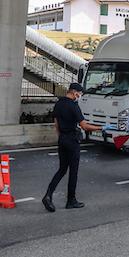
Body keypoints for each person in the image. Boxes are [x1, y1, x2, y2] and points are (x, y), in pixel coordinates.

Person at [43, 83, 107, 212]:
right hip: (72, 140)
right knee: (73, 172)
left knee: (62, 169)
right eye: (80, 93)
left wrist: (61, 137)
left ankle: (48, 195)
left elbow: (56, 124)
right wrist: (102, 128)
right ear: (75, 93)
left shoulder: (59, 104)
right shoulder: (74, 107)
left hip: (62, 139)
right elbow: (85, 126)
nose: (80, 96)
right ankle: (71, 200)